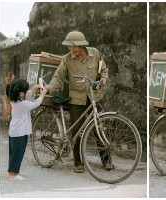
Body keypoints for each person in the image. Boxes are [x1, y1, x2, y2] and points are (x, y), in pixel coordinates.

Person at [45, 30, 111, 173]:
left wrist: (104, 79)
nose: (71, 50)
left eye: (73, 47)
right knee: (77, 130)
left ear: (81, 46)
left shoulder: (95, 54)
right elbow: (58, 77)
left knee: (100, 127)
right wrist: (49, 88)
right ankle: (78, 161)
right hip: (77, 99)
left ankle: (106, 160)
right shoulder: (67, 59)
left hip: (95, 96)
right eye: (69, 47)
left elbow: (103, 69)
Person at [6, 79, 47, 180]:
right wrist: (42, 94)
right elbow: (34, 104)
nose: (26, 93)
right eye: (25, 91)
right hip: (20, 133)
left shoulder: (14, 100)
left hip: (14, 132)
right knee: (17, 154)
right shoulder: (23, 104)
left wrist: (33, 89)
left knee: (14, 154)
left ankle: (13, 172)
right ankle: (12, 174)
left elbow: (26, 97)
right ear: (20, 94)